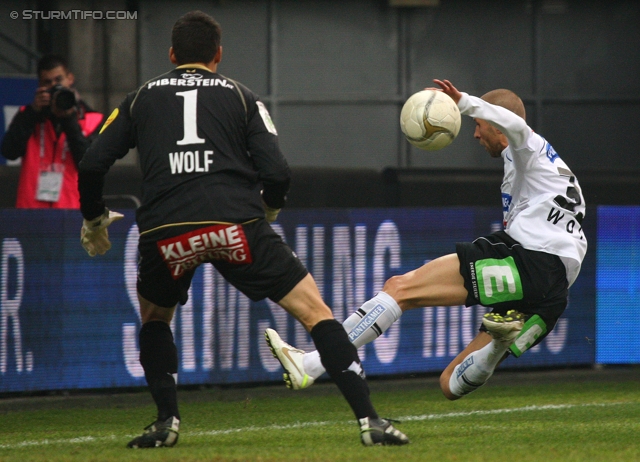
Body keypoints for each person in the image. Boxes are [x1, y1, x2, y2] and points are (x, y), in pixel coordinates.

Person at [77, 11, 408, 449]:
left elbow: (92, 163)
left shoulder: (139, 99)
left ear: (173, 54)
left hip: (168, 231)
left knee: (155, 318)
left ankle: (165, 423)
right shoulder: (241, 95)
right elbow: (277, 170)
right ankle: (370, 421)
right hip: (235, 225)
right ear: (218, 55)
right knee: (316, 313)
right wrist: (269, 208)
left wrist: (94, 218)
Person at [266, 78, 587, 402]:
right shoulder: (548, 167)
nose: (475, 134)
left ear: (496, 123)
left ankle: (312, 363)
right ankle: (496, 348)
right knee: (450, 383)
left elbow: (515, 123)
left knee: (399, 289)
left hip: (530, 258)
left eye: (478, 125)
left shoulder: (528, 147)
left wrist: (463, 103)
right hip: (554, 290)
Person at [1, 54, 103, 208]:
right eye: (47, 82)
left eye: (58, 80)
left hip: (73, 210)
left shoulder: (92, 119)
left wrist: (69, 120)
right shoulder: (28, 115)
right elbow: (9, 151)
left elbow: (90, 164)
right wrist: (33, 112)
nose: (54, 86)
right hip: (31, 210)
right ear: (40, 85)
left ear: (70, 79)